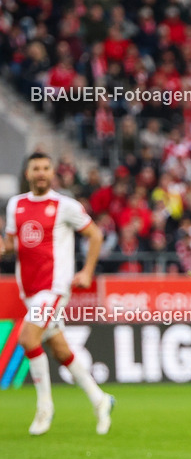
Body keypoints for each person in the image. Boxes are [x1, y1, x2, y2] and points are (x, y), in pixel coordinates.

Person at [1, 152, 115, 435]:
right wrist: (4, 248)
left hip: (53, 289)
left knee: (28, 338)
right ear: (27, 174)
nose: (41, 173)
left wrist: (87, 271)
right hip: (29, 290)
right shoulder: (16, 205)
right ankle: (100, 400)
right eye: (36, 168)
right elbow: (12, 245)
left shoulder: (65, 205)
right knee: (59, 349)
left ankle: (44, 409)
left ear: (53, 173)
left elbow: (96, 235)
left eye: (46, 168)